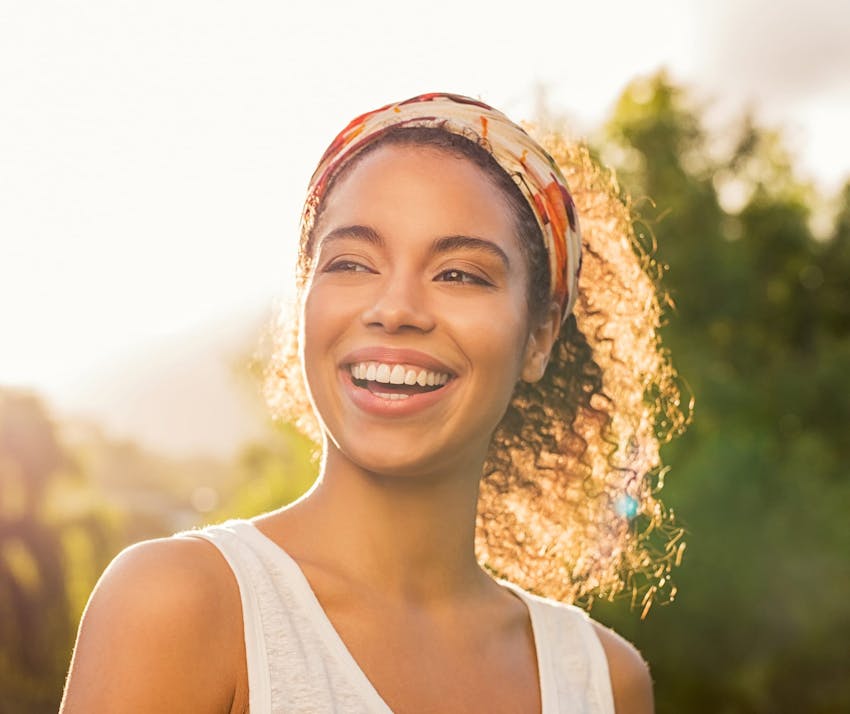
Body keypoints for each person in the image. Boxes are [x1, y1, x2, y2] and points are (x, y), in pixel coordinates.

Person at [61, 92, 687, 713]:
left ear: (540, 335)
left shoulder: (604, 682)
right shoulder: (178, 605)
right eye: (352, 263)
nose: (394, 310)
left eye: (459, 274)